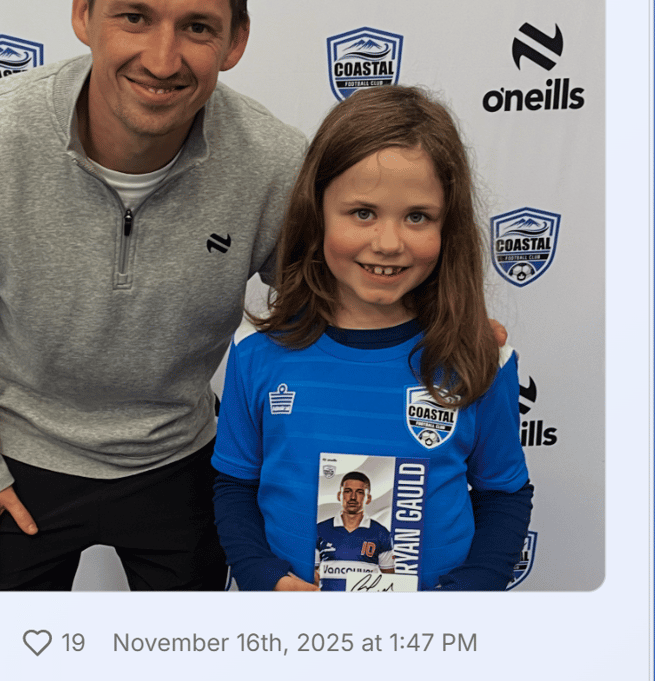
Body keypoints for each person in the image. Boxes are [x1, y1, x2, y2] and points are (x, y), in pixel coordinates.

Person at [0, 0, 307, 590]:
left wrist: (434, 334)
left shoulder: (276, 165)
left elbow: (326, 310)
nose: (162, 57)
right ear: (84, 11)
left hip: (184, 462)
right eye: (135, 17)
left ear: (236, 40)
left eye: (197, 27)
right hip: (16, 466)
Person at [212, 85, 533, 591]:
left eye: (418, 216)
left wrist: (469, 594)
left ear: (448, 227)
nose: (388, 242)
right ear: (315, 212)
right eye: (362, 212)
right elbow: (234, 485)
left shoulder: (480, 358)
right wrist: (266, 580)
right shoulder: (256, 352)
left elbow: (504, 493)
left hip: (433, 649)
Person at [315, 471, 395, 591]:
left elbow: (390, 579)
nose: (353, 497)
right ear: (339, 496)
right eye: (347, 491)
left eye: (360, 492)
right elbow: (311, 574)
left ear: (368, 498)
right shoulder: (320, 530)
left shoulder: (381, 533)